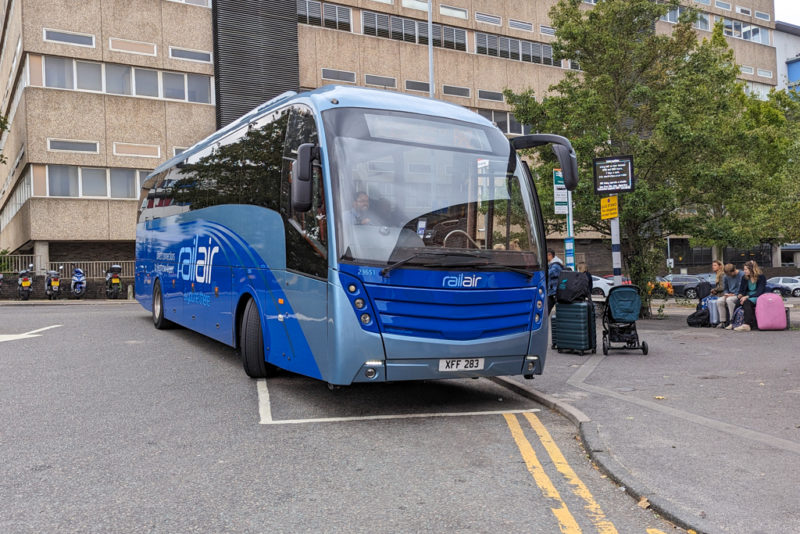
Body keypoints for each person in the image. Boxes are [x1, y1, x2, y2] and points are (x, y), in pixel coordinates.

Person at [731, 260, 766, 332]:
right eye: (744, 269)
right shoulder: (745, 278)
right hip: (747, 296)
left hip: (757, 297)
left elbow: (760, 292)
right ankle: (733, 323)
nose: (744, 271)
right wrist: (740, 295)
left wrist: (747, 297)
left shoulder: (761, 277)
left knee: (746, 302)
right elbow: (741, 290)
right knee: (738, 302)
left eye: (746, 269)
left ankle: (747, 325)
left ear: (752, 269)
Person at [716, 263, 744, 328]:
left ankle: (732, 321)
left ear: (734, 270)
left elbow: (742, 288)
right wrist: (726, 293)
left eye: (730, 274)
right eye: (727, 275)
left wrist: (734, 294)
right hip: (729, 294)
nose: (729, 276)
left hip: (738, 294)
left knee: (729, 300)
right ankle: (723, 321)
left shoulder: (742, 275)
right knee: (719, 301)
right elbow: (725, 288)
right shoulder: (726, 276)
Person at [547, 249, 564, 314]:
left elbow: (549, 273)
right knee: (547, 310)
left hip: (555, 291)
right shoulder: (552, 264)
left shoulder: (556, 265)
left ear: (550, 255)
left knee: (559, 310)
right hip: (552, 291)